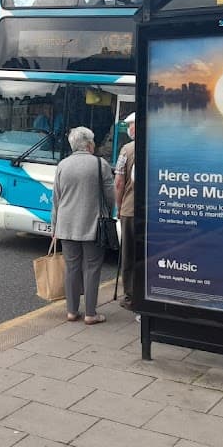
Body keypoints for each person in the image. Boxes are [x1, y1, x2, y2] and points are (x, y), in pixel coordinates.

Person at [50, 126, 116, 324]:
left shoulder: (62, 165)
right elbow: (110, 195)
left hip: (66, 224)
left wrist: (54, 227)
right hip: (93, 224)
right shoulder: (100, 164)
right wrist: (109, 211)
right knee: (92, 267)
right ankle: (90, 313)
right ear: (88, 144)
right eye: (93, 142)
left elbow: (56, 199)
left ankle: (71, 311)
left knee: (71, 267)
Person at [114, 112, 136, 308]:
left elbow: (119, 182)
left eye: (130, 126)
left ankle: (130, 296)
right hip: (152, 210)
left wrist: (118, 206)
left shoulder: (126, 150)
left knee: (128, 254)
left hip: (130, 209)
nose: (128, 129)